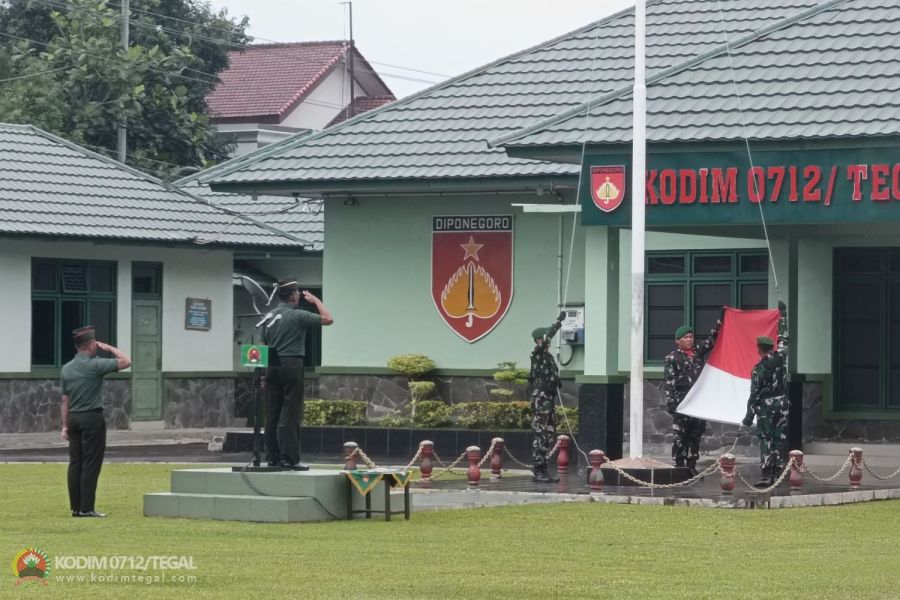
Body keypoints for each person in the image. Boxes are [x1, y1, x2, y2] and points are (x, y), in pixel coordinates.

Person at [60, 326, 131, 517]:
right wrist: (109, 347)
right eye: (95, 343)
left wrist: (64, 425)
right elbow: (126, 361)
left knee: (75, 463)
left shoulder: (66, 369)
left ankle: (76, 508)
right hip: (92, 418)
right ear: (91, 344)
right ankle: (87, 508)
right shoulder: (95, 365)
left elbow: (65, 401)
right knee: (91, 463)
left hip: (74, 419)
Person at [260, 278, 333, 467]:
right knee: (291, 414)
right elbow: (328, 319)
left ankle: (272, 457)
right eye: (298, 293)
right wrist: (316, 301)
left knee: (271, 416)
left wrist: (263, 375)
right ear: (292, 296)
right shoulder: (298, 315)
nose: (300, 295)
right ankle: (290, 459)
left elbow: (263, 346)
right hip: (291, 365)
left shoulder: (269, 317)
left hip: (271, 366)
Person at [663, 313, 722, 475]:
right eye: (686, 337)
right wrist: (672, 402)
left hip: (698, 403)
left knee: (696, 435)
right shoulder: (672, 358)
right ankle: (679, 466)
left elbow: (711, 342)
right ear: (678, 340)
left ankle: (691, 465)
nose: (689, 340)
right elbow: (670, 381)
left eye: (691, 337)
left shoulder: (697, 353)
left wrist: (719, 323)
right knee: (680, 435)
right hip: (682, 402)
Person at [742, 301, 789, 487]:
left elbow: (754, 395)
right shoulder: (781, 357)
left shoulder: (759, 369)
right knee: (779, 439)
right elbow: (784, 338)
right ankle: (777, 473)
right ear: (771, 347)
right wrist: (782, 316)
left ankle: (766, 474)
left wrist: (748, 417)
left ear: (758, 349)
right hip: (783, 405)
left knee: (766, 440)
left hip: (766, 408)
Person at [528, 311, 565, 483]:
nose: (547, 340)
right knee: (540, 433)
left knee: (549, 433)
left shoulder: (548, 356)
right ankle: (538, 470)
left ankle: (544, 468)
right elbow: (547, 336)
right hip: (541, 398)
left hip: (549, 398)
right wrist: (557, 323)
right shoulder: (537, 353)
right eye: (543, 338)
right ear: (538, 340)